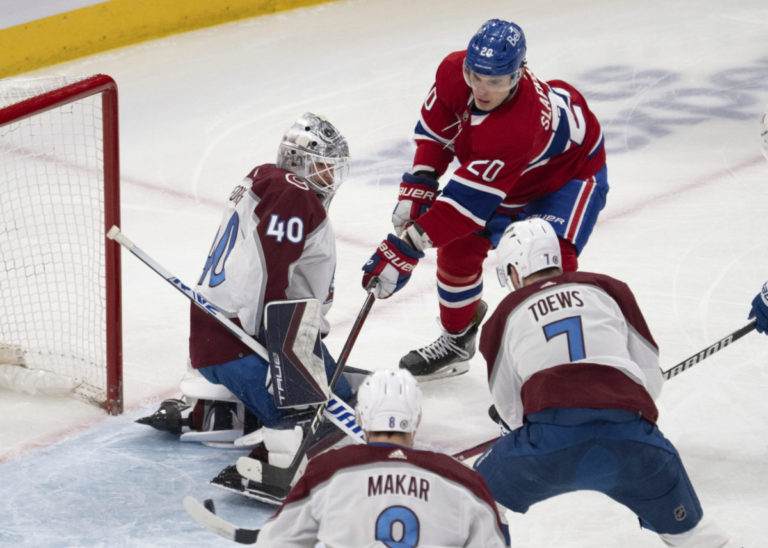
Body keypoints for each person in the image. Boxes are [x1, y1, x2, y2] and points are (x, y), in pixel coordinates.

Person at [361, 18, 608, 382]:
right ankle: (458, 342)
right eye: (475, 76)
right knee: (457, 254)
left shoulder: (518, 128)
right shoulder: (451, 72)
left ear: (519, 75)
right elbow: (435, 131)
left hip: (566, 174)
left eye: (495, 81)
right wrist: (421, 182)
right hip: (508, 176)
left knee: (546, 265)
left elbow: (464, 208)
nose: (482, 89)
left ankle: (560, 372)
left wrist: (405, 247)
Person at [472, 217, 733, 546]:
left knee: (475, 498)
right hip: (634, 440)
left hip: (550, 445)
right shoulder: (608, 288)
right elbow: (650, 375)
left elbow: (510, 410)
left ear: (515, 269)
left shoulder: (504, 314)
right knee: (694, 534)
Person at [139, 113, 356, 467]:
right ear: (299, 161)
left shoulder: (266, 177)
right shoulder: (294, 196)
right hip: (243, 340)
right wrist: (278, 354)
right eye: (322, 167)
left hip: (228, 334)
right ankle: (223, 414)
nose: (330, 178)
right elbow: (262, 272)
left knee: (341, 395)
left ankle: (220, 410)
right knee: (317, 419)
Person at [254, 369, 510, 547]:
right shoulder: (462, 480)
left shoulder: (328, 470)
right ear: (416, 420)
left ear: (361, 419)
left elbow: (276, 542)